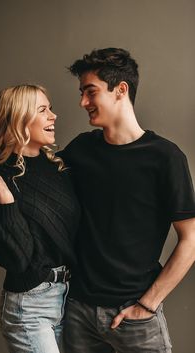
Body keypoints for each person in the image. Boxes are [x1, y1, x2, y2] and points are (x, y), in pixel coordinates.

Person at [57, 48, 195, 353]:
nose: (83, 103)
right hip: (77, 312)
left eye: (90, 92)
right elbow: (38, 179)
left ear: (121, 90)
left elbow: (191, 239)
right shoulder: (80, 149)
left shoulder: (165, 158)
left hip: (135, 316)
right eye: (82, 93)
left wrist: (148, 304)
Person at [0, 84, 80, 353]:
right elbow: (17, 259)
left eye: (50, 108)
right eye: (43, 110)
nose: (53, 116)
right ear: (18, 120)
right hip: (30, 306)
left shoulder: (60, 168)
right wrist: (6, 199)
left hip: (71, 299)